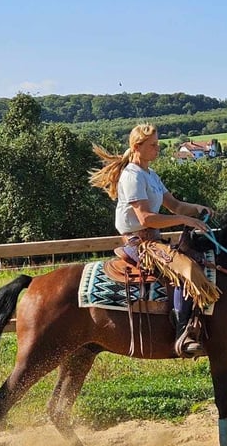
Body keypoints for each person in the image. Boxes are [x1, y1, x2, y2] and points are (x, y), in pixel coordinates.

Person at [89, 123, 216, 357]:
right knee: (186, 270)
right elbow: (146, 218)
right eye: (153, 145)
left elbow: (175, 205)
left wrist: (196, 208)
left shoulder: (151, 174)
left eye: (157, 144)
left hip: (154, 240)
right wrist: (184, 221)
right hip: (139, 243)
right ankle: (182, 335)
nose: (158, 149)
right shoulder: (132, 176)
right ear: (137, 147)